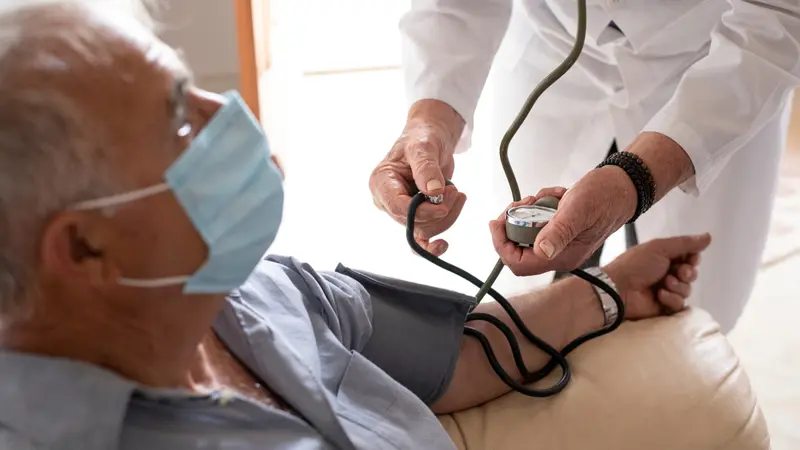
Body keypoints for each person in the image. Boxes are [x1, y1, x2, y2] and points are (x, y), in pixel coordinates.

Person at [0, 1, 712, 449]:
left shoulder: (261, 293)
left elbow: (453, 355)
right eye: (179, 119)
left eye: (190, 87)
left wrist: (609, 291)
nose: (236, 119)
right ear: (84, 246)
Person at [369, 0, 800, 333]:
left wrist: (635, 180)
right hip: (552, 46)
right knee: (532, 294)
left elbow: (779, 16)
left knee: (693, 308)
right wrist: (430, 120)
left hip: (717, 64)